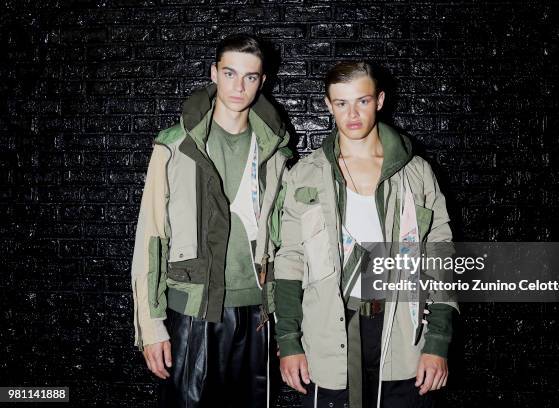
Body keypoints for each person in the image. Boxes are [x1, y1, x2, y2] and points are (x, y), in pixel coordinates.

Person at [273, 61, 459, 408]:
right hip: (328, 333)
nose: (352, 113)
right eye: (341, 103)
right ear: (328, 105)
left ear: (380, 100)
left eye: (362, 101)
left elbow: (440, 254)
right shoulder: (306, 174)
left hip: (403, 334)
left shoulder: (415, 173)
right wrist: (289, 341)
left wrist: (437, 341)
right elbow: (289, 260)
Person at [130, 34, 292, 407]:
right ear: (214, 74)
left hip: (258, 315)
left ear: (262, 81)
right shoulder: (174, 146)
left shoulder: (276, 152)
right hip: (193, 311)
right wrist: (152, 327)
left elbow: (285, 243)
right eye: (230, 73)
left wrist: (288, 326)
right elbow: (151, 237)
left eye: (250, 77)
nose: (239, 86)